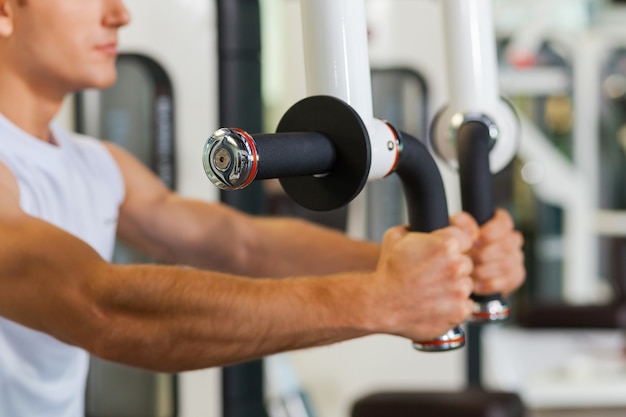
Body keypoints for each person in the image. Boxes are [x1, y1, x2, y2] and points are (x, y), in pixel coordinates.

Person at [0, 0, 525, 415]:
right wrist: (378, 299)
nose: (119, 13)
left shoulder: (96, 164)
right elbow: (101, 309)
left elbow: (245, 244)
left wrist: (442, 264)